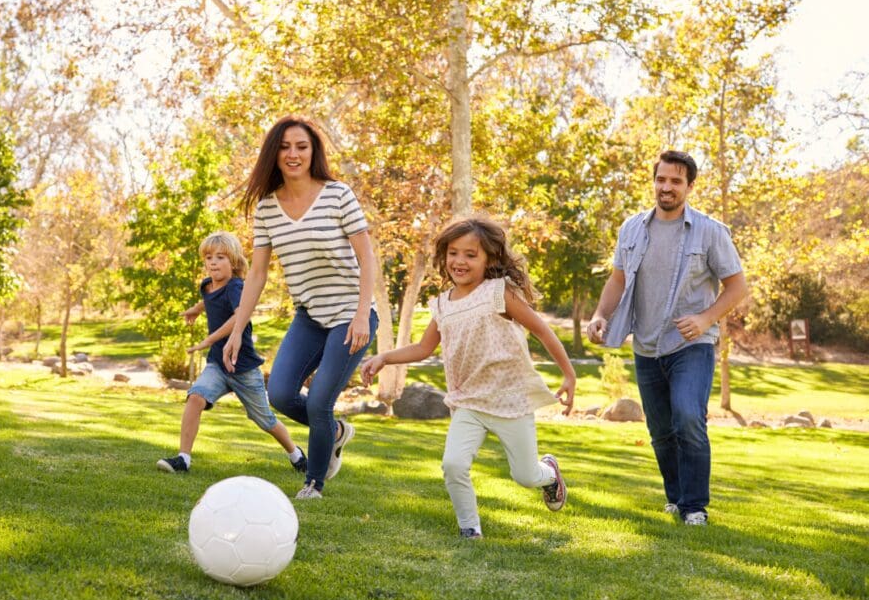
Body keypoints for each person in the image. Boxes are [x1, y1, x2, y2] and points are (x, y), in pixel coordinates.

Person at [361, 217, 575, 539]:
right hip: (468, 401)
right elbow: (422, 348)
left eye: (470, 255)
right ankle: (469, 529)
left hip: (509, 399)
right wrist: (384, 357)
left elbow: (542, 330)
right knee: (453, 465)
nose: (459, 261)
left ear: (489, 258)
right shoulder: (442, 305)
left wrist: (569, 374)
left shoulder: (498, 293)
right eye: (453, 253)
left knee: (525, 476)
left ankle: (549, 474)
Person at [586, 150, 747, 526]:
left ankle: (695, 507)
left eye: (676, 181)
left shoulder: (710, 231)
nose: (667, 187)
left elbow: (737, 286)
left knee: (689, 417)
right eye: (661, 179)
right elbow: (618, 279)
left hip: (692, 345)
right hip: (646, 344)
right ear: (654, 181)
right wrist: (599, 315)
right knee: (659, 429)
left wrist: (707, 317)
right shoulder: (632, 229)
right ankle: (675, 498)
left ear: (690, 186)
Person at [224, 116, 379, 500]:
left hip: (350, 315)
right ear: (274, 154)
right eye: (285, 147)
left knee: (322, 400)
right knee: (279, 394)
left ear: (314, 152)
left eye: (302, 147)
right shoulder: (267, 209)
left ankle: (314, 483)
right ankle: (337, 433)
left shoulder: (338, 194)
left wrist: (362, 314)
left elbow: (368, 258)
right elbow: (257, 275)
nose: (293, 154)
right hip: (309, 317)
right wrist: (237, 329)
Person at [157, 231, 307, 475]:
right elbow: (209, 300)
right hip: (218, 364)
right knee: (195, 397)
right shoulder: (207, 285)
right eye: (208, 257)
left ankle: (296, 454)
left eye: (220, 257)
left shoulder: (237, 287)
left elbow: (240, 315)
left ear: (234, 262)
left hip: (244, 367)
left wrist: (209, 339)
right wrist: (196, 310)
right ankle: (183, 459)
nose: (213, 262)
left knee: (265, 420)